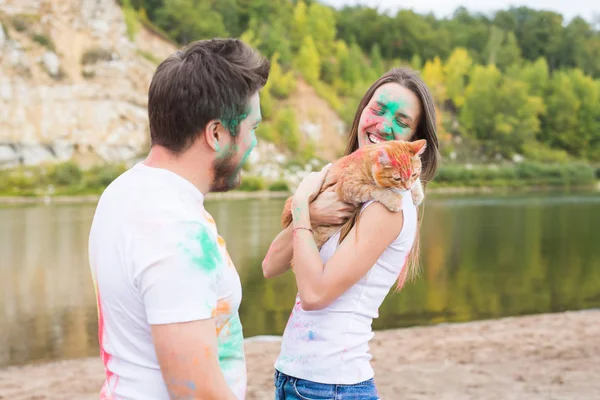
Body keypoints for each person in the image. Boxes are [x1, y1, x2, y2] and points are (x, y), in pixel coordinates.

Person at [88, 38, 270, 400]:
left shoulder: (123, 191)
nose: (253, 143)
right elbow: (195, 390)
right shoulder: (175, 230)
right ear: (216, 133)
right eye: (252, 128)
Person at [262, 67, 439, 399]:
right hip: (295, 378)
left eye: (401, 122)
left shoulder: (390, 206)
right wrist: (312, 213)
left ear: (412, 140)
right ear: (362, 112)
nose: (383, 125)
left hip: (332, 386)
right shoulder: (345, 182)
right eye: (377, 109)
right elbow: (270, 265)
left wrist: (301, 202)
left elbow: (314, 296)